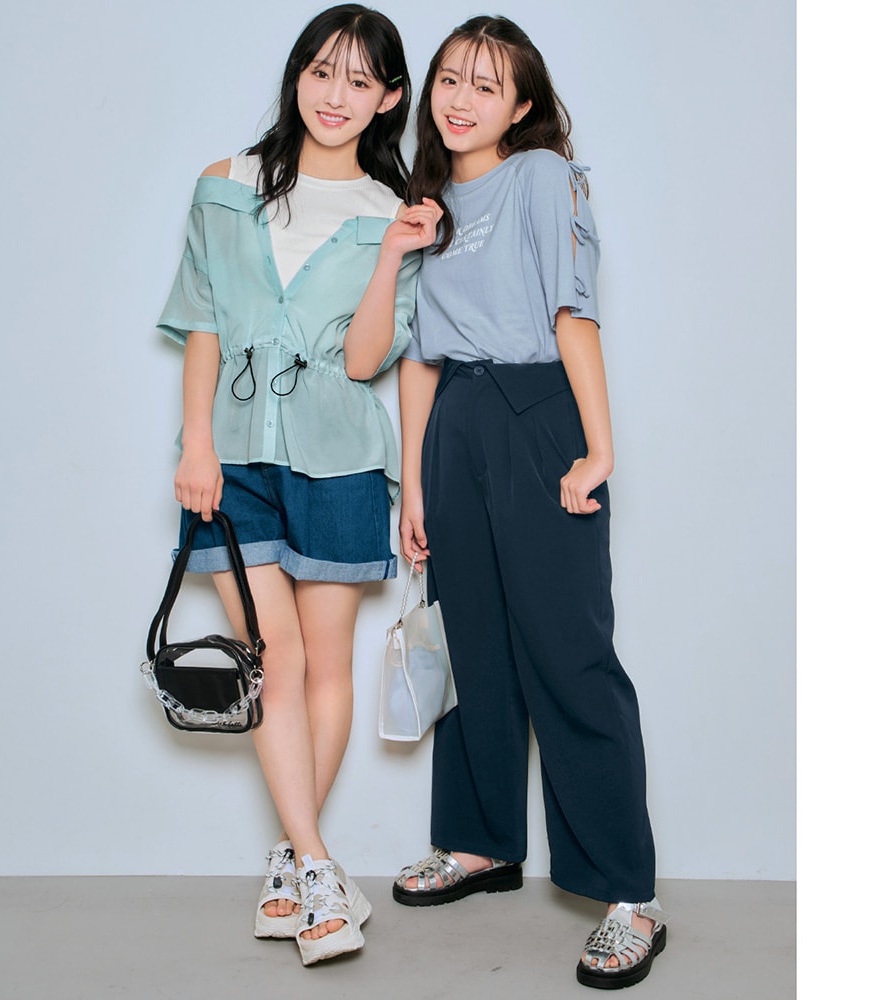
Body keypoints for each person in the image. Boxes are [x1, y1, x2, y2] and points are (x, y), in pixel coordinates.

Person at [156, 4, 441, 966]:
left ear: (389, 99)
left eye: (361, 80)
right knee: (269, 656)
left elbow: (364, 361)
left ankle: (291, 865)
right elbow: (203, 322)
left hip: (342, 457)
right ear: (297, 75)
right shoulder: (224, 184)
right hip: (232, 458)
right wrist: (196, 444)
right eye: (323, 71)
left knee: (324, 662)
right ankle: (320, 866)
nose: (336, 95)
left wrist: (393, 254)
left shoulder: (392, 213)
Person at [392, 15, 668, 990]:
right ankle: (479, 842)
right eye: (449, 79)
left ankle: (629, 894)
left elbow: (571, 310)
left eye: (486, 84)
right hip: (457, 422)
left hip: (538, 410)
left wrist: (598, 446)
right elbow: (418, 354)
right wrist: (414, 480)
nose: (461, 99)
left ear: (520, 105)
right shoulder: (426, 206)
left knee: (568, 650)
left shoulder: (545, 177)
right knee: (472, 642)